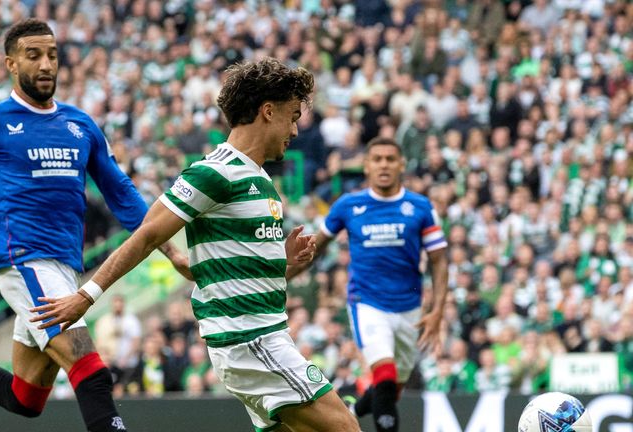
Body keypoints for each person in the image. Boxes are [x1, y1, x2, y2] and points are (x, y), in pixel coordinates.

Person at [31, 58, 360, 432]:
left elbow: (202, 269)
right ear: (268, 112)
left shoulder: (261, 179)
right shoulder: (216, 172)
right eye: (292, 116)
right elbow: (148, 233)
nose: (296, 130)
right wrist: (86, 295)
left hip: (258, 340)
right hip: (252, 341)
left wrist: (278, 263)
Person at [0, 19, 190, 432]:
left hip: (65, 268)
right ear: (11, 64)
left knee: (25, 397)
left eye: (52, 55)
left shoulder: (80, 124)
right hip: (24, 262)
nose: (46, 64)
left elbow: (120, 192)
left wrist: (172, 252)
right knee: (91, 370)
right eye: (34, 55)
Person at [288, 137, 449, 432]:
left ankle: (352, 409)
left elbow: (439, 260)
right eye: (377, 159)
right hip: (367, 304)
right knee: (385, 376)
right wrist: (283, 277)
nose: (384, 165)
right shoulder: (349, 205)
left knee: (390, 389)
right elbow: (316, 248)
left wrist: (437, 311)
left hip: (410, 309)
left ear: (401, 164)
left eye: (390, 159)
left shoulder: (420, 207)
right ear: (367, 166)